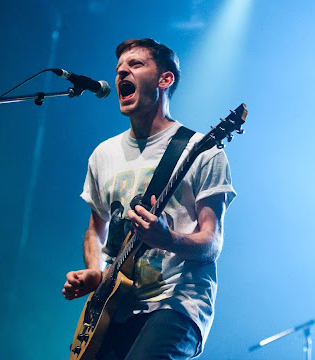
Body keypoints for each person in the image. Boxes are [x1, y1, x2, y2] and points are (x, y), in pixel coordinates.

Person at [62, 38, 236, 359]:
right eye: (118, 69)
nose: (121, 73)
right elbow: (95, 229)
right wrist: (96, 272)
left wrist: (167, 239)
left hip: (176, 303)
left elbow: (212, 245)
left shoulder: (203, 151)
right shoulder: (104, 154)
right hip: (114, 306)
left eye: (136, 65)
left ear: (164, 80)